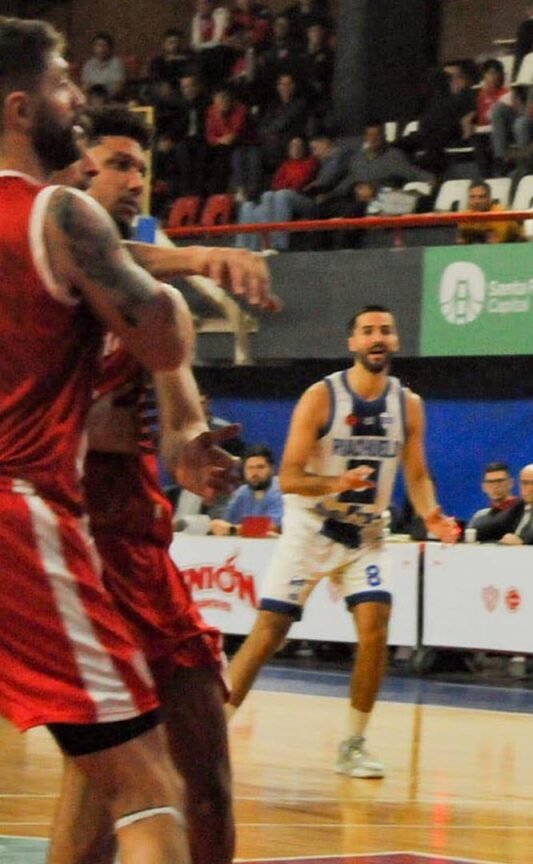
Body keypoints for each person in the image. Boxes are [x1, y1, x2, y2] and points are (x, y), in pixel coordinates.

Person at [45, 102, 275, 864]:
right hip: (66, 539)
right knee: (116, 778)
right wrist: (201, 256)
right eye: (117, 164)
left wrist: (195, 449)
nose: (132, 180)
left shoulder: (154, 306)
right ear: (79, 171)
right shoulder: (45, 286)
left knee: (205, 766)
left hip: (137, 541)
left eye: (141, 168)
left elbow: (176, 419)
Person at [0, 17, 196, 862]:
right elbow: (162, 341)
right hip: (18, 514)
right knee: (146, 782)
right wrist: (181, 283)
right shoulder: (57, 214)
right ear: (19, 106)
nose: (75, 100)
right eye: (60, 82)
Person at [224, 305, 460, 779]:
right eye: (368, 331)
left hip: (365, 532)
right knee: (269, 631)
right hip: (311, 524)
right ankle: (211, 733)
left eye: (386, 330)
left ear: (395, 341)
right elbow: (288, 477)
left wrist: (431, 513)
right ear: (351, 343)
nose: (378, 338)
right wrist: (336, 483)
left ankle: (353, 743)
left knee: (376, 628)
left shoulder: (408, 404)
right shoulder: (321, 397)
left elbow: (415, 472)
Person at [210, 445, 284, 535]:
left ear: (272, 469)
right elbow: (227, 522)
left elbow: (275, 527)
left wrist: (233, 529)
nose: (254, 473)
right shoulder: (243, 492)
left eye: (260, 467)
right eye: (250, 468)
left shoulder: (280, 489)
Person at [456, 180, 524, 245]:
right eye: (472, 197)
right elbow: (462, 241)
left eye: (481, 197)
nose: (476, 201)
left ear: (489, 198)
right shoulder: (465, 216)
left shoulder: (499, 214)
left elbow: (496, 243)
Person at [467, 461, 519, 543]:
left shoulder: (522, 512)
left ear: (511, 483)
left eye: (499, 481)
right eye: (490, 482)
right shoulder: (479, 516)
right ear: (484, 487)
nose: (495, 486)